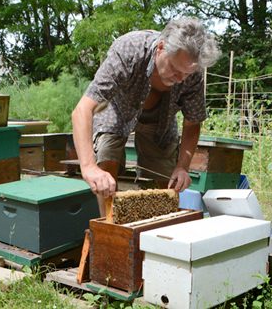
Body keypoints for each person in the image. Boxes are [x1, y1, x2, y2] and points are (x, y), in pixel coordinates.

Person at [71, 18, 218, 216]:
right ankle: (108, 224)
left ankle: (158, 230)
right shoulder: (129, 49)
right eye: (175, 69)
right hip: (118, 109)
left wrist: (182, 167)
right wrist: (88, 167)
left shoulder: (192, 72)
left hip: (162, 120)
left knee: (168, 183)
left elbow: (192, 123)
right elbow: (82, 110)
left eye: (186, 73)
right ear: (161, 48)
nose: (180, 78)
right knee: (106, 159)